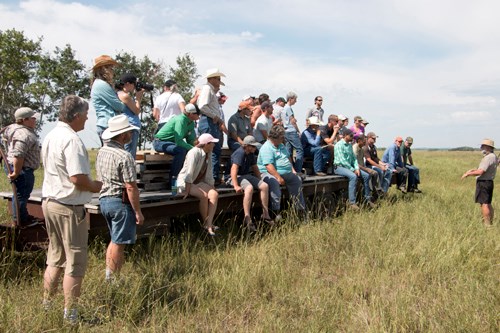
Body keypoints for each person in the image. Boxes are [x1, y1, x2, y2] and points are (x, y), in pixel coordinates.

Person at [41, 95, 103, 323]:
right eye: (86, 115)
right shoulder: (72, 140)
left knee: (55, 257)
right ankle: (71, 316)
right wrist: (99, 186)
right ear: (76, 116)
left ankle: (46, 306)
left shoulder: (51, 136)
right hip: (68, 206)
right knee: (75, 262)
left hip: (50, 202)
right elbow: (77, 177)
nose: (87, 119)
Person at [97, 115, 144, 281]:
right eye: (129, 132)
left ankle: (110, 274)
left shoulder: (102, 152)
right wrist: (137, 211)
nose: (131, 135)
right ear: (123, 135)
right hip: (119, 201)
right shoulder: (124, 156)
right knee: (119, 243)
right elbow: (130, 186)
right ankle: (112, 279)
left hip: (104, 199)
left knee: (114, 239)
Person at [1, 107, 41, 227]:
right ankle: (20, 220)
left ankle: (21, 216)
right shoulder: (24, 135)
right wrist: (16, 172)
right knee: (21, 195)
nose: (35, 120)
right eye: (33, 118)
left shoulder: (12, 128)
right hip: (22, 169)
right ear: (24, 120)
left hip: (17, 167)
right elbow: (19, 155)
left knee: (20, 194)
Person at [257, 125, 306, 219]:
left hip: (285, 173)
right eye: (282, 137)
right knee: (274, 182)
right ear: (275, 137)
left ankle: (300, 210)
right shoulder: (267, 147)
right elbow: (269, 166)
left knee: (297, 180)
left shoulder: (281, 145)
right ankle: (275, 213)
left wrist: (293, 170)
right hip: (269, 173)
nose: (284, 138)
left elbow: (287, 158)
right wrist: (278, 177)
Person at [177, 133, 220, 236]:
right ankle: (206, 224)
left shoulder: (208, 153)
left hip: (198, 182)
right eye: (212, 143)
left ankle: (209, 224)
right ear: (206, 144)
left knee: (214, 194)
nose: (214, 145)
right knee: (203, 196)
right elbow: (189, 173)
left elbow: (209, 173)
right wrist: (187, 190)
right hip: (184, 182)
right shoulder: (194, 152)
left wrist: (212, 186)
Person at [228, 136, 273, 231]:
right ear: (247, 146)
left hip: (245, 175)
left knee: (264, 186)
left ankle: (265, 214)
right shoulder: (240, 153)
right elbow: (234, 169)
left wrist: (260, 180)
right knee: (249, 188)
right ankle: (247, 218)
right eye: (252, 146)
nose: (254, 148)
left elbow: (255, 167)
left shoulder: (251, 153)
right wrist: (236, 185)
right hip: (234, 177)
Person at [153, 104, 200, 187]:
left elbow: (191, 140)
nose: (199, 116)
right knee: (181, 151)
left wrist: (198, 147)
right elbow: (179, 141)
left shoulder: (190, 123)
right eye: (197, 114)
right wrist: (193, 148)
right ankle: (173, 181)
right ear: (191, 114)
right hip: (160, 142)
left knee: (191, 151)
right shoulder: (180, 120)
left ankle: (189, 179)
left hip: (172, 143)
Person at [197, 68, 226, 184]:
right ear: (211, 79)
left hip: (210, 121)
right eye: (218, 79)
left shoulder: (209, 90)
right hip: (208, 121)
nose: (219, 82)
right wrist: (214, 116)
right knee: (211, 149)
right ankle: (211, 178)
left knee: (212, 149)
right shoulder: (207, 89)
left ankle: (211, 177)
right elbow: (202, 106)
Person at [334, 129, 374, 209]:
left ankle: (367, 199)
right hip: (339, 167)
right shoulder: (339, 145)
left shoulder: (349, 145)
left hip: (349, 167)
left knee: (366, 176)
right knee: (353, 176)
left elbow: (354, 159)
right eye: (351, 135)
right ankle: (352, 202)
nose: (353, 137)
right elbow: (342, 161)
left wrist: (357, 168)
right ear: (345, 135)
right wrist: (353, 169)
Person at [461, 139, 498, 226]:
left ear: (488, 147)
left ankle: (487, 225)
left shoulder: (488, 158)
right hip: (489, 182)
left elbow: (481, 172)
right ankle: (490, 222)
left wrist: (468, 174)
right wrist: (473, 170)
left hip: (483, 183)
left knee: (484, 204)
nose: (481, 148)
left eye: (483, 146)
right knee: (488, 203)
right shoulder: (493, 156)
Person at [90, 55, 125, 142]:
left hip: (107, 125)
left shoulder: (99, 84)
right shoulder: (101, 84)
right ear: (103, 69)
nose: (112, 71)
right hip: (108, 126)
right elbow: (119, 106)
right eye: (110, 68)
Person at [115, 73, 144, 158]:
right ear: (127, 83)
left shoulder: (118, 93)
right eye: (134, 84)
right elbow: (136, 111)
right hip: (131, 127)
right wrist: (138, 98)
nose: (135, 87)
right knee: (130, 155)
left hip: (128, 126)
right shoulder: (125, 96)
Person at [280, 91, 304, 173]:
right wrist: (298, 131)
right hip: (291, 131)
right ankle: (298, 170)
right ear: (290, 99)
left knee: (288, 151)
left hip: (286, 131)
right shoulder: (288, 108)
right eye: (295, 99)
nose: (296, 101)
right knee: (299, 150)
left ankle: (289, 169)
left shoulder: (284, 109)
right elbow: (292, 121)